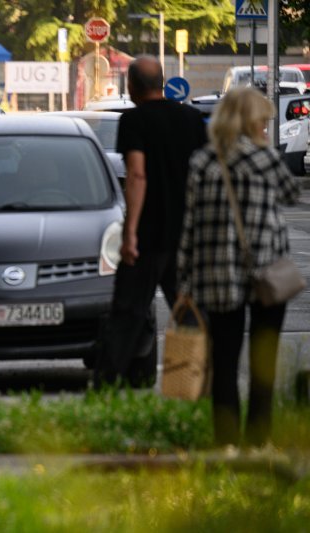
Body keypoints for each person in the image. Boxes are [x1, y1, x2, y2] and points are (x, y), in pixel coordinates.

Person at [178, 87, 300, 447]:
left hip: (218, 276)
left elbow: (190, 224)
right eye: (263, 121)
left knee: (225, 363)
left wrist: (183, 277)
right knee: (263, 362)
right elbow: (292, 194)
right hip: (267, 274)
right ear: (249, 122)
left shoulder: (202, 161)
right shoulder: (265, 159)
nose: (266, 128)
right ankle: (259, 441)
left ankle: (226, 444)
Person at [93, 55, 207, 387]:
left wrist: (130, 233)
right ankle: (191, 385)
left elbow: (138, 176)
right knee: (188, 314)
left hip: (148, 237)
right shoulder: (191, 119)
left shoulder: (134, 121)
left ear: (132, 86)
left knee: (127, 313)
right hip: (185, 236)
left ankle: (106, 386)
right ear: (161, 83)